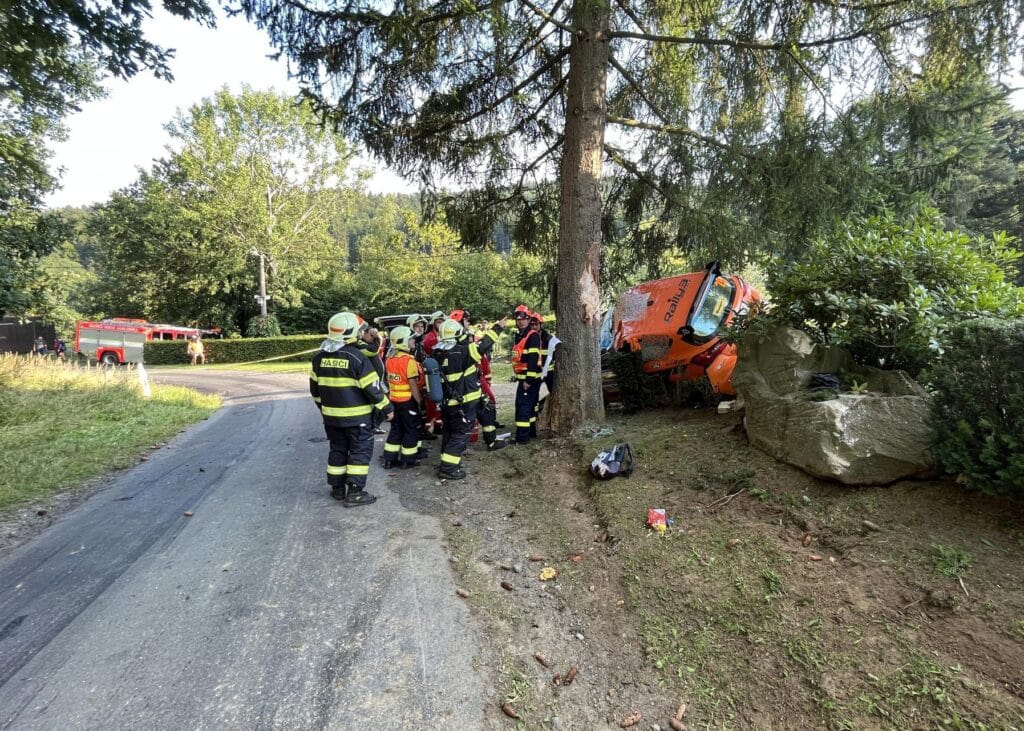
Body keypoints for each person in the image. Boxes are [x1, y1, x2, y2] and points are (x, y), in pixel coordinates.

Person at [310, 312, 394, 507]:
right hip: (358, 419)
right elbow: (372, 388)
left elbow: (314, 391)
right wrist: (387, 408)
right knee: (359, 451)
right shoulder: (356, 357)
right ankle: (355, 493)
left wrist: (325, 409)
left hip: (331, 418)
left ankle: (337, 489)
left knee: (337, 450)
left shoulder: (318, 358)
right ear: (351, 333)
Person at [434, 318, 482, 479]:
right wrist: (498, 328)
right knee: (461, 433)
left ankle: (445, 462)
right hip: (462, 404)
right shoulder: (463, 352)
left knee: (449, 431)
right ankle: (448, 468)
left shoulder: (436, 353)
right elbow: (485, 345)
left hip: (446, 404)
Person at [382, 326, 426, 469]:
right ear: (403, 341)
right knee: (410, 429)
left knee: (396, 429)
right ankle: (408, 460)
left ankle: (390, 459)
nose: (413, 341)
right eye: (411, 339)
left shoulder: (390, 358)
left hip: (394, 400)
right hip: (408, 401)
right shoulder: (409, 361)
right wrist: (420, 402)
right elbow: (413, 384)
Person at [510, 306, 543, 444]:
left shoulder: (532, 335)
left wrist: (528, 380)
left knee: (523, 407)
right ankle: (531, 433)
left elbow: (533, 359)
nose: (520, 322)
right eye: (518, 319)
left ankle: (522, 438)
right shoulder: (521, 335)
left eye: (523, 319)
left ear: (528, 319)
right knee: (529, 406)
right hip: (524, 378)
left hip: (528, 379)